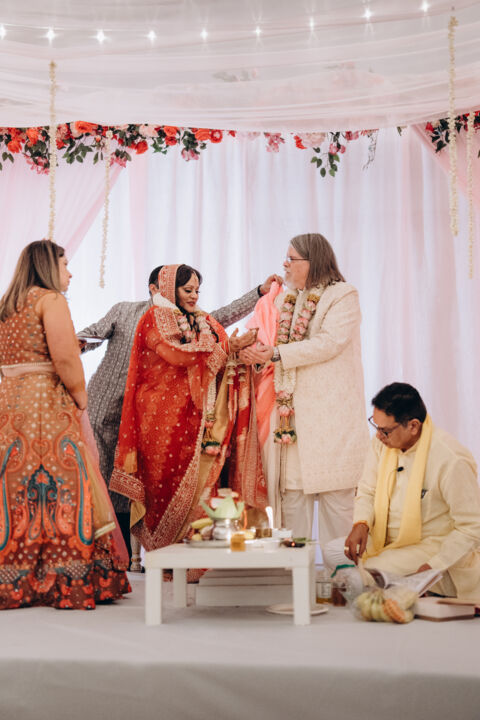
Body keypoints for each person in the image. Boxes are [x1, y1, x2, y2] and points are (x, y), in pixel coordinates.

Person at [78, 268, 280, 555]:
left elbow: (220, 322)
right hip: (109, 400)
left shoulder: (192, 319)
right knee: (105, 473)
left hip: (158, 408)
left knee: (133, 481)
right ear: (159, 288)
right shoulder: (132, 312)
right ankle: (104, 551)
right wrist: (71, 345)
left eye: (197, 290)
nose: (194, 296)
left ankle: (127, 554)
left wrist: (258, 294)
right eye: (187, 290)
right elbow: (95, 333)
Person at [0, 240, 130, 610]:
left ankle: (17, 576)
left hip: (10, 401)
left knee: (16, 487)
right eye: (65, 264)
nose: (70, 273)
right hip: (45, 403)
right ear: (47, 266)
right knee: (63, 486)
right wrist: (80, 395)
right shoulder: (50, 300)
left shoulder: (7, 304)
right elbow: (65, 358)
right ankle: (65, 577)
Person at [240, 233, 369, 548]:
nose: (284, 264)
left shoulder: (342, 295)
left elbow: (329, 343)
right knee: (292, 517)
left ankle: (341, 579)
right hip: (292, 426)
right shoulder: (285, 300)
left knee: (338, 519)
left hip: (331, 424)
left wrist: (275, 353)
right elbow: (269, 342)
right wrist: (253, 354)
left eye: (291, 258)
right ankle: (293, 579)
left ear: (313, 261)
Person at [329, 382, 480, 598]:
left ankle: (421, 584)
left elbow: (472, 526)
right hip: (385, 539)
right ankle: (400, 584)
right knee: (334, 552)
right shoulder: (382, 443)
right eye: (376, 426)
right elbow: (367, 489)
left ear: (413, 426)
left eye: (385, 430)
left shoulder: (451, 459)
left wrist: (435, 564)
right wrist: (361, 523)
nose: (379, 436)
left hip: (430, 544)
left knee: (369, 573)